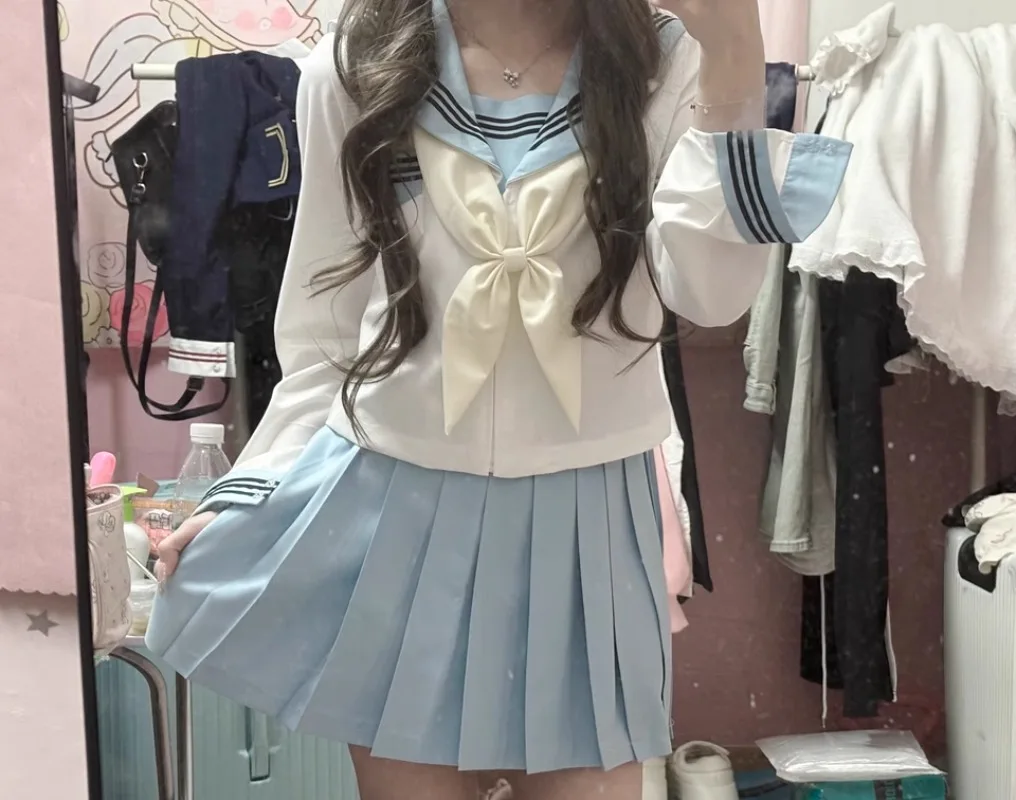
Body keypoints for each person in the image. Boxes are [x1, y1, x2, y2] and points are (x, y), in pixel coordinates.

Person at [146, 0, 850, 797]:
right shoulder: (356, 59)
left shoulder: (664, 60)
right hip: (392, 507)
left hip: (590, 520)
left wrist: (733, 52)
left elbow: (713, 294)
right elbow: (323, 335)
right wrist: (255, 486)